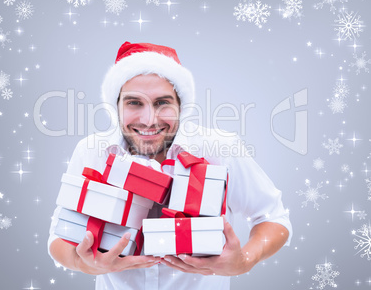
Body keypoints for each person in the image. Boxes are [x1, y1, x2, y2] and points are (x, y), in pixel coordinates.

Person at [48, 41, 292, 290]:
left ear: (180, 106)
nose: (149, 120)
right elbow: (59, 238)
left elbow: (274, 218)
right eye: (134, 103)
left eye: (162, 103)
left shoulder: (221, 148)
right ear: (117, 107)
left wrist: (244, 261)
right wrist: (84, 264)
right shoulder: (92, 151)